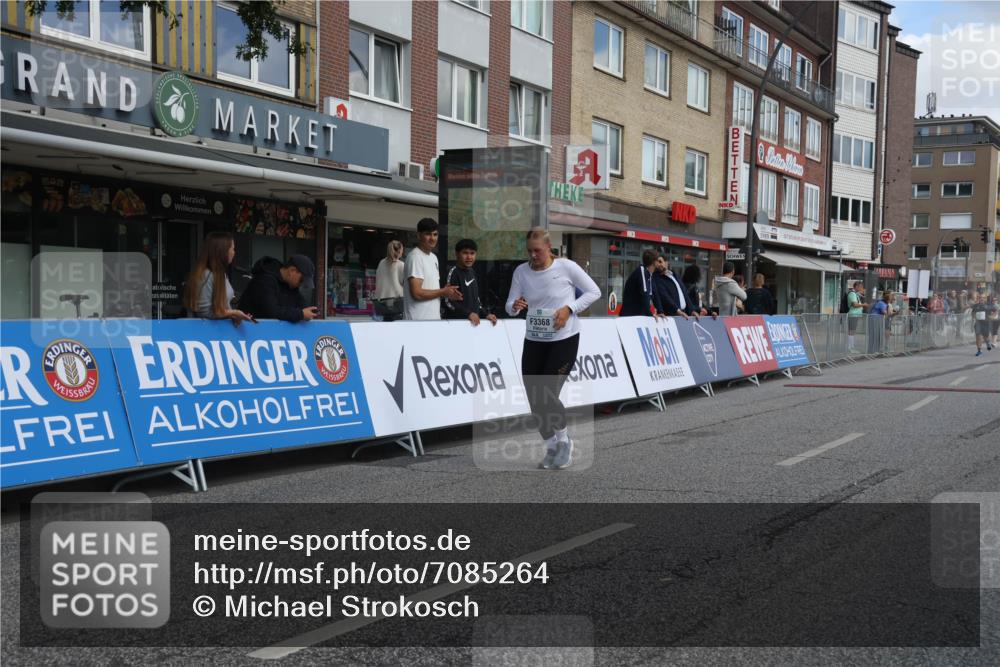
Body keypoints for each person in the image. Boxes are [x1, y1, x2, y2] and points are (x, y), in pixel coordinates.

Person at [506, 227, 600, 470]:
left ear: (549, 248)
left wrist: (569, 309)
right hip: (534, 340)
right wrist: (515, 306)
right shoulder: (521, 271)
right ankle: (551, 446)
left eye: (537, 251)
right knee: (535, 399)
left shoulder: (566, 267)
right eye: (529, 251)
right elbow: (509, 305)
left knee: (548, 393)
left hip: (564, 339)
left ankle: (564, 440)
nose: (533, 255)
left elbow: (593, 292)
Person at [183, 231, 253, 325]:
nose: (234, 252)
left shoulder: (220, 274)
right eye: (232, 249)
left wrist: (234, 316)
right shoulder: (206, 275)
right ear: (222, 251)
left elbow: (220, 309)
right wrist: (234, 313)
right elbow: (204, 313)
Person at [403, 218, 462, 321]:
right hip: (417, 322)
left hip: (433, 321)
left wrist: (448, 293)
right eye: (428, 234)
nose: (432, 238)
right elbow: (417, 293)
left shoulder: (433, 257)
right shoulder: (415, 257)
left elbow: (432, 290)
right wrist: (443, 291)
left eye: (435, 234)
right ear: (418, 235)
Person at [238, 254, 318, 322]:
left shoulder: (290, 285)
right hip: (248, 332)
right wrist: (301, 314)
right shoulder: (265, 280)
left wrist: (310, 311)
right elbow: (271, 312)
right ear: (292, 271)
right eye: (301, 280)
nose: (301, 285)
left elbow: (301, 304)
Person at [443, 239, 497, 326]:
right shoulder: (453, 272)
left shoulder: (472, 272)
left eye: (472, 253)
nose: (469, 257)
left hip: (473, 325)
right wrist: (468, 314)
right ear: (457, 254)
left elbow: (477, 300)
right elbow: (447, 301)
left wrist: (486, 314)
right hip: (456, 325)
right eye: (465, 253)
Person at [620, 249, 661, 317]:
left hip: (638, 315)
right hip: (630, 316)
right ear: (654, 262)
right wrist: (650, 315)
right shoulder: (641, 271)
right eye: (658, 261)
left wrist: (660, 311)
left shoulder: (650, 274)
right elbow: (644, 295)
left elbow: (655, 294)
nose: (659, 263)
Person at [373, 240, 405, 321]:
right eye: (402, 250)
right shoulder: (400, 265)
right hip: (396, 303)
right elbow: (405, 283)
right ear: (399, 251)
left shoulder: (381, 263)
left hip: (380, 304)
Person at [846, 281, 868, 353]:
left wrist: (863, 292)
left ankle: (851, 347)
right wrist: (863, 305)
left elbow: (863, 294)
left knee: (852, 331)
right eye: (860, 287)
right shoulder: (852, 294)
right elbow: (855, 305)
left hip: (855, 315)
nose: (862, 288)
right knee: (851, 331)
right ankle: (850, 347)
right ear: (856, 286)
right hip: (853, 314)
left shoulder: (856, 294)